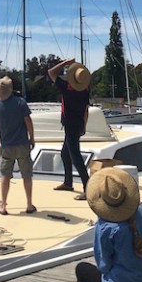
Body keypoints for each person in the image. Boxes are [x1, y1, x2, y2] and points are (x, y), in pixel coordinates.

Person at [0, 76, 36, 215]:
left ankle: (3, 205)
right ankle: (29, 204)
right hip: (22, 144)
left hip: (6, 146)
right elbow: (28, 121)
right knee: (26, 175)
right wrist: (32, 137)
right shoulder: (20, 102)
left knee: (5, 175)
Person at [47, 57, 91, 199]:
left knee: (76, 157)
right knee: (65, 154)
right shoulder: (85, 90)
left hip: (70, 126)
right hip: (78, 124)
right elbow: (86, 110)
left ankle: (88, 188)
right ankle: (68, 182)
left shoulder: (66, 87)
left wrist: (65, 63)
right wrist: (84, 125)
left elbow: (51, 72)